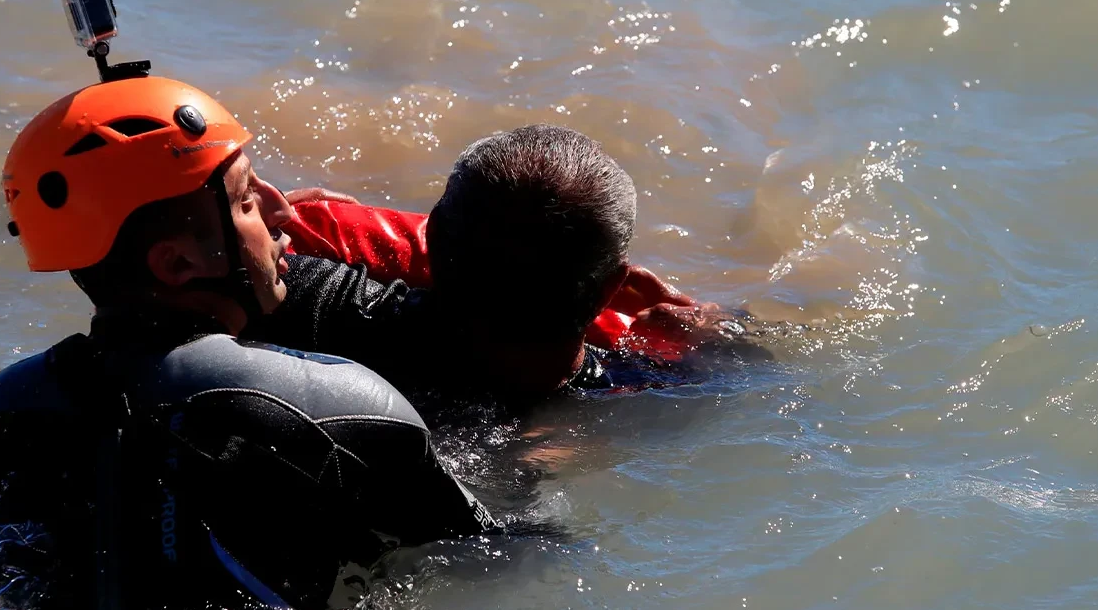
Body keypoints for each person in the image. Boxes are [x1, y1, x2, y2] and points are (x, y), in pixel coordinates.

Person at [0, 75, 500, 610]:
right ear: (176, 264)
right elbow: (501, 560)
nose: (284, 210)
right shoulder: (340, 408)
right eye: (248, 198)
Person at [247, 124, 762, 403]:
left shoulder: (314, 291)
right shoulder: (645, 380)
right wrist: (720, 332)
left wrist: (271, 220)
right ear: (611, 288)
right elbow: (771, 363)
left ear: (434, 240)